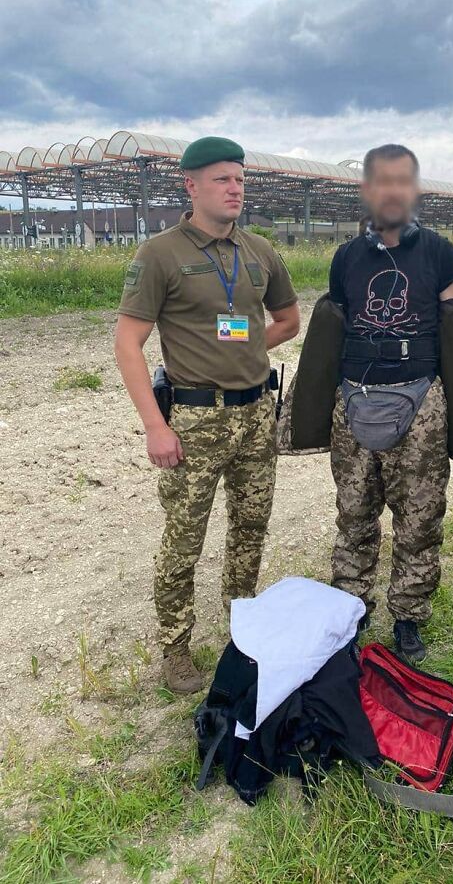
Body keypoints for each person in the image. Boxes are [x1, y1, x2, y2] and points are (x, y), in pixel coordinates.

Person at [114, 136, 300, 694]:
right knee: (184, 538)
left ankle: (242, 635)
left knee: (250, 530)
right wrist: (155, 425)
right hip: (194, 419)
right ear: (191, 186)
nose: (235, 187)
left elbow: (288, 321)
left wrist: (243, 351)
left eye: (240, 178)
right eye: (222, 179)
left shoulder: (261, 251)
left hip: (255, 414)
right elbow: (128, 342)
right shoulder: (160, 253)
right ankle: (175, 649)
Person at [327, 144, 453, 662]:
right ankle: (350, 613)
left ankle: (409, 616)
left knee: (420, 518)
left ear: (415, 189)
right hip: (355, 400)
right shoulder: (345, 257)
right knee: (354, 515)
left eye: (402, 181)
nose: (392, 191)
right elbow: (334, 331)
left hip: (421, 403)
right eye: (382, 181)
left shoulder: (440, 253)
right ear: (367, 190)